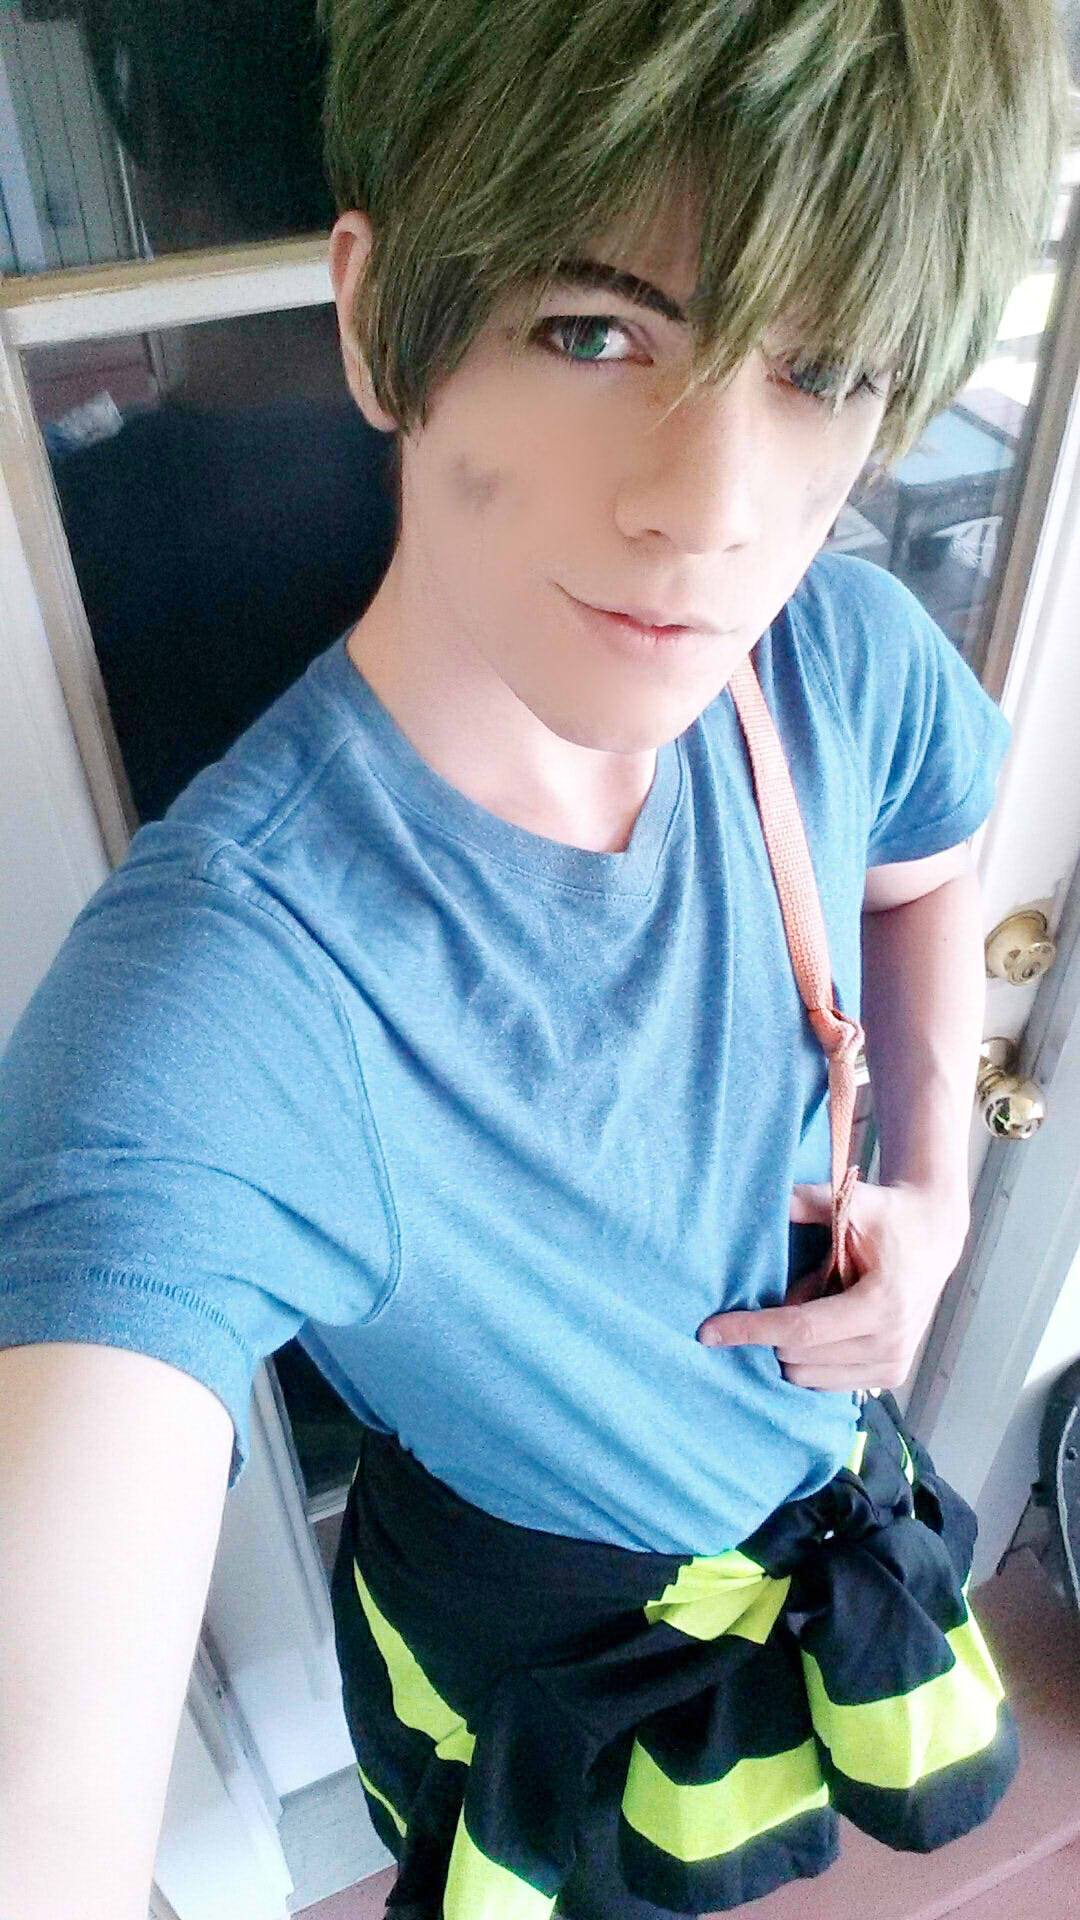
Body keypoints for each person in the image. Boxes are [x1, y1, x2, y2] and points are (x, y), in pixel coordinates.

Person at [0, 3, 1067, 1918]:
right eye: (594, 331)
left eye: (823, 368)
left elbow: (926, 867)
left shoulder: (839, 663)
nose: (712, 510)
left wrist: (933, 1186)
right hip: (546, 1652)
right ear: (379, 317)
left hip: (815, 1509)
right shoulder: (230, 999)